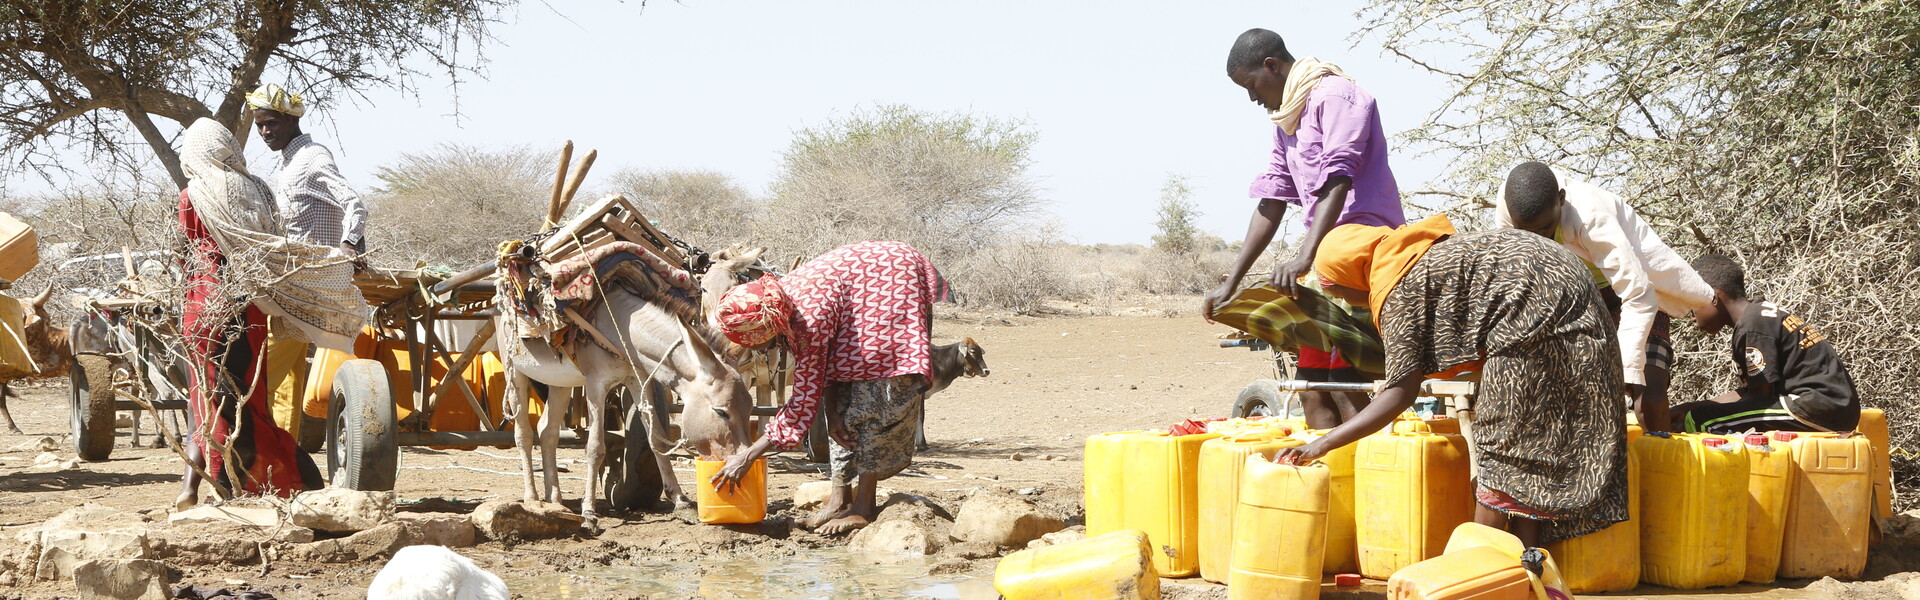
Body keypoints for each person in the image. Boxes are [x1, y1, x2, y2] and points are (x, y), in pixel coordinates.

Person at [1272, 216, 1627, 547]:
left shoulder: (1398, 286)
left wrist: (1320, 445)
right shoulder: (1411, 253)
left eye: (1339, 292)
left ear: (1353, 273)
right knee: (1525, 452)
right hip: (1569, 291)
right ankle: (1526, 563)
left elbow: (1399, 392)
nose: (1347, 302)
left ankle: (1477, 569)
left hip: (1538, 312)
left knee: (1501, 447)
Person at [1203, 28, 1405, 429]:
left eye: (1252, 85)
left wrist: (1303, 257)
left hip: (1361, 255)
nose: (1253, 98)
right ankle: (1323, 468)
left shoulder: (1338, 97)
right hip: (1323, 260)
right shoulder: (1287, 120)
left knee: (1346, 385)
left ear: (1272, 66)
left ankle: (1364, 466)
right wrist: (1232, 283)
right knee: (1312, 388)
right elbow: (1272, 199)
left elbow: (1339, 177)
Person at [708, 241, 949, 535]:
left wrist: (748, 456)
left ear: (768, 330)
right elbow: (829, 364)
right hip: (861, 294)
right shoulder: (778, 303)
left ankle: (863, 507)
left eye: (758, 344)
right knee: (841, 415)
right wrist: (832, 413)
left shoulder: (807, 321)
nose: (760, 350)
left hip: (892, 286)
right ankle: (838, 500)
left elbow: (801, 404)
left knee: (873, 397)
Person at [175, 118, 356, 508]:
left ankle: (225, 485)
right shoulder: (258, 188)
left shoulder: (193, 194)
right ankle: (285, 474)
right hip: (251, 305)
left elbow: (186, 252)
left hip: (205, 307)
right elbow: (274, 237)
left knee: (208, 401)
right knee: (248, 398)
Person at [1496, 162, 1713, 431]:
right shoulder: (1509, 215)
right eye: (1528, 233)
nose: (1541, 240)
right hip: (1580, 297)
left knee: (1647, 398)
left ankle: (1659, 455)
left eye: (1545, 229)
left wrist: (1625, 368)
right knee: (1576, 400)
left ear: (1561, 199)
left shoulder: (1590, 216)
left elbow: (1637, 293)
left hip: (1634, 295)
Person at [247, 83, 369, 444]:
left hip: (307, 286)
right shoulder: (289, 162)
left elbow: (354, 203)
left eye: (271, 123)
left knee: (262, 375)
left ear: (291, 120)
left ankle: (263, 453)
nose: (265, 132)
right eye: (259, 126)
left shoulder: (312, 157)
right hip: (292, 283)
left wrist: (349, 244)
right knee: (287, 382)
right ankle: (285, 458)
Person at [1674, 254, 1859, 433]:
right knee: (1698, 413)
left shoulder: (1753, 324)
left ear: (1714, 297)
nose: (1692, 317)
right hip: (1831, 407)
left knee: (1701, 420)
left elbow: (1759, 399)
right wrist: (1689, 406)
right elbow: (1751, 393)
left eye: (1693, 306)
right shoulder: (1759, 315)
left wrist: (1692, 413)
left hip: (1815, 408)